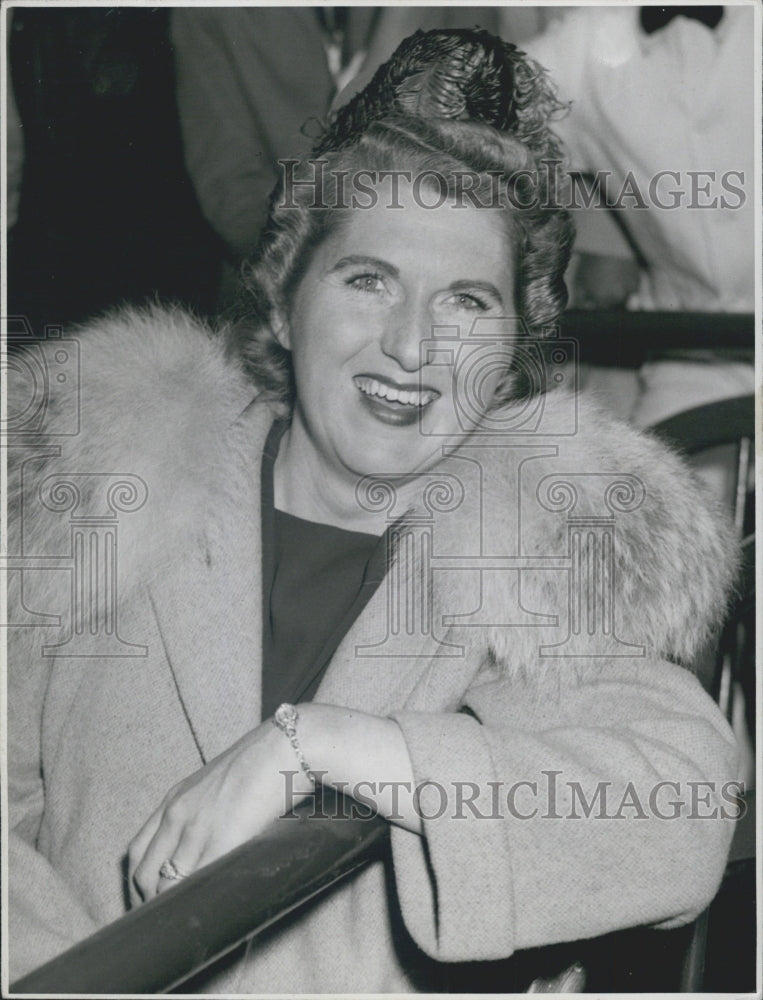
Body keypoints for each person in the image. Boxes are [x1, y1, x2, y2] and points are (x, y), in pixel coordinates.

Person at [8, 29, 739, 994]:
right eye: (368, 280)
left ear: (515, 347)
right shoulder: (104, 482)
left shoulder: (538, 543)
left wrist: (329, 747)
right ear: (281, 301)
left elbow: (678, 807)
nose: (410, 347)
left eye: (468, 303)